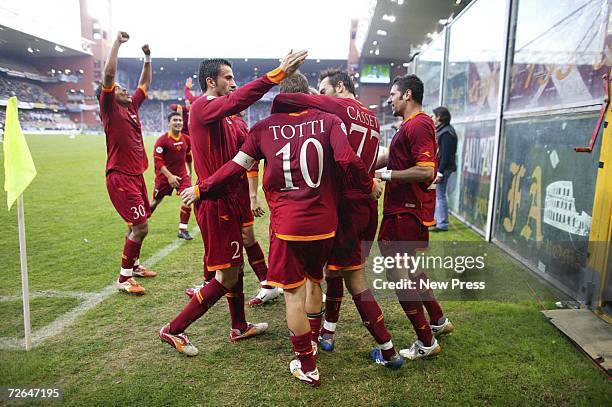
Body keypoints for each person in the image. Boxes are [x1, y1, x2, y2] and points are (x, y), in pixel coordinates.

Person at [182, 72, 382, 387]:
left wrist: (201, 188)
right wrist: (369, 184)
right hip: (326, 225)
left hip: (289, 227)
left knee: (293, 295)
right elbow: (346, 158)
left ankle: (308, 364)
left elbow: (236, 166)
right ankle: (315, 340)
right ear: (308, 94)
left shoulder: (262, 129)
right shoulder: (329, 121)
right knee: (316, 282)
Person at [158, 51, 307, 356]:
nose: (233, 83)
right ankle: (173, 330)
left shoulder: (228, 120)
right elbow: (240, 99)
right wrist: (277, 73)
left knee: (235, 268)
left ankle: (239, 326)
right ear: (210, 81)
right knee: (225, 275)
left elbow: (249, 149)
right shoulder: (201, 108)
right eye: (227, 78)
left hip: (233, 200)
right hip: (216, 204)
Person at [271, 69, 402, 368]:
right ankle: (326, 333)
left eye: (323, 89)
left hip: (345, 204)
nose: (320, 95)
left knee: (351, 278)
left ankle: (389, 350)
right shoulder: (372, 116)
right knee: (336, 272)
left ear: (339, 87)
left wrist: (283, 74)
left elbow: (293, 97)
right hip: (367, 207)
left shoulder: (339, 107)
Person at [375, 74, 454, 360]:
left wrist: (387, 175)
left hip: (404, 212)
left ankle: (426, 341)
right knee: (410, 271)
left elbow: (426, 171)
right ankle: (438, 321)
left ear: (407, 95)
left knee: (397, 275)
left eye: (393, 94)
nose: (390, 100)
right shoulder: (412, 125)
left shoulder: (419, 124)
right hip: (407, 211)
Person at [97, 31, 156, 295]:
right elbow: (108, 76)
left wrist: (147, 58)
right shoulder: (110, 107)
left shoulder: (131, 106)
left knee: (138, 225)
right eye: (119, 87)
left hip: (136, 175)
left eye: (123, 87)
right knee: (141, 226)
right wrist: (117, 44)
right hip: (120, 175)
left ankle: (135, 265)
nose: (122, 89)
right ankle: (123, 279)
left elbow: (145, 84)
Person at [149, 111, 194, 240]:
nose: (178, 122)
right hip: (164, 178)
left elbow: (188, 156)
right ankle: (141, 222)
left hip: (181, 176)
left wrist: (190, 172)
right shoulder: (162, 140)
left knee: (188, 198)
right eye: (175, 120)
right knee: (155, 202)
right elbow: (158, 161)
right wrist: (169, 176)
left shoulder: (186, 139)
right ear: (169, 123)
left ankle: (182, 229)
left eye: (180, 120)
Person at [431, 106, 457, 232]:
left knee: (440, 196)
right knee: (438, 195)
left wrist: (440, 172)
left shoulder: (446, 132)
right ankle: (437, 221)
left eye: (434, 116)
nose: (433, 119)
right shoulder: (444, 130)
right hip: (443, 168)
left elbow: (445, 155)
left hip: (444, 169)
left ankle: (442, 224)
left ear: (439, 118)